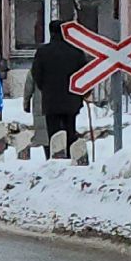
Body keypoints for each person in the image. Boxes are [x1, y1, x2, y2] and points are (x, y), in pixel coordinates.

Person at [28, 21, 88, 158]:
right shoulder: (76, 52)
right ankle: (71, 157)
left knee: (54, 132)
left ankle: (55, 157)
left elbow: (36, 74)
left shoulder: (43, 52)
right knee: (70, 131)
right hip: (71, 100)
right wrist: (80, 94)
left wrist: (46, 88)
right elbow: (84, 75)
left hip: (51, 100)